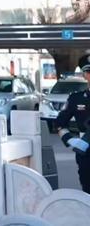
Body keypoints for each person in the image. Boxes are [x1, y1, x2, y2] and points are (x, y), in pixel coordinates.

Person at [55, 55, 90, 193]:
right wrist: (70, 139)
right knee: (87, 190)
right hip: (86, 151)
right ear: (85, 75)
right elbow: (60, 123)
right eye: (89, 72)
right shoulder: (76, 98)